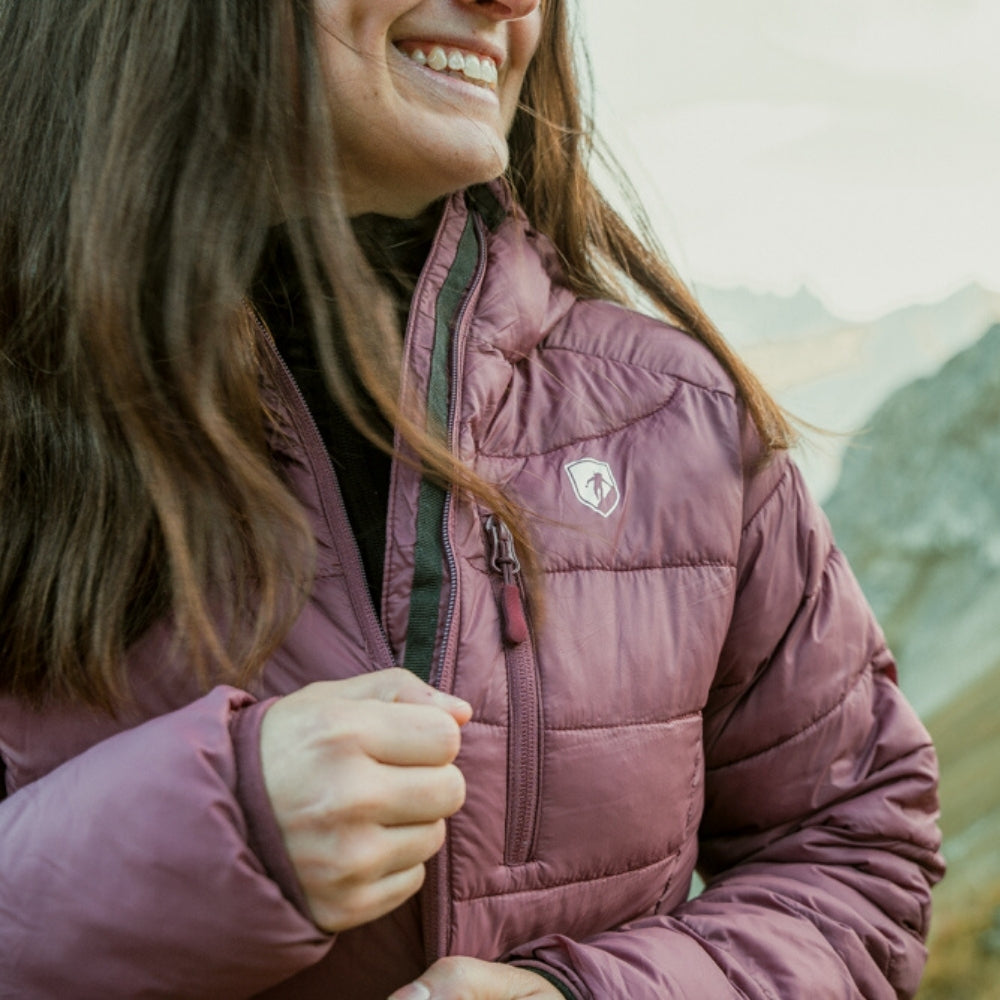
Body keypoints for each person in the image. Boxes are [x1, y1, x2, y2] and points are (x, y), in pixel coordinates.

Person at [0, 1, 944, 998]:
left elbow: (858, 857)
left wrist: (589, 995)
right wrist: (215, 831)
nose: (511, 4)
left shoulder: (683, 419)